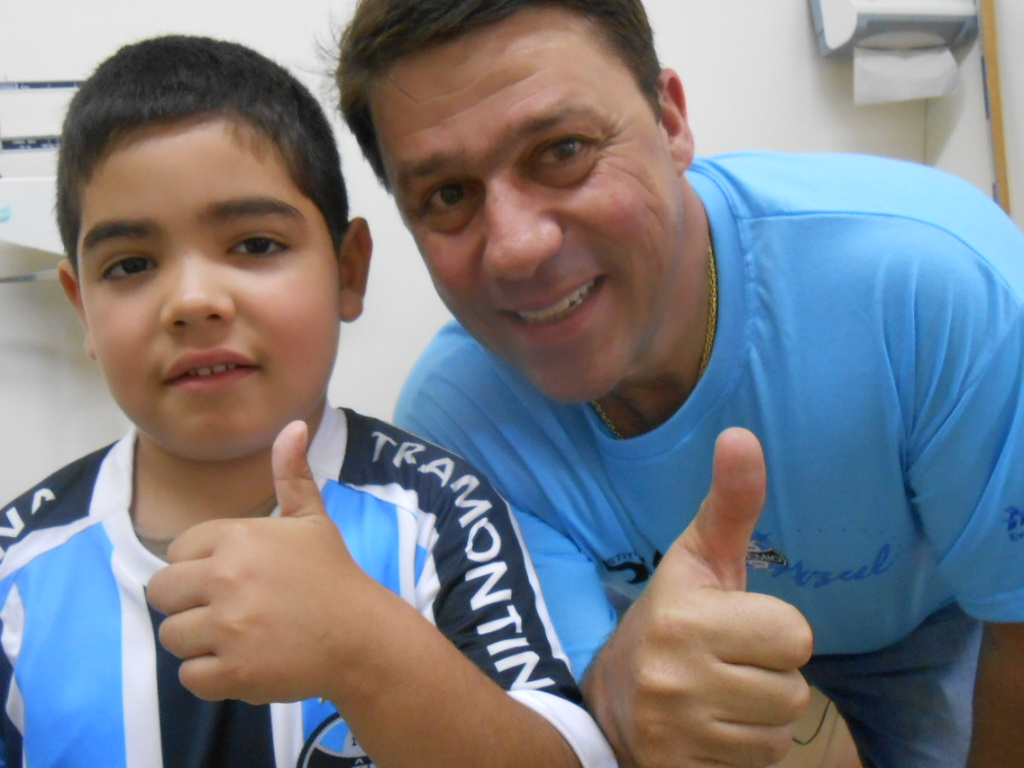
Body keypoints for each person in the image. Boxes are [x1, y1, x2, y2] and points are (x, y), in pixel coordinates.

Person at [334, 1, 1024, 766]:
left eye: (562, 149)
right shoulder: (461, 421)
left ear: (671, 122)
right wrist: (614, 689)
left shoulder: (935, 284)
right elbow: (573, 714)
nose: (518, 248)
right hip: (679, 662)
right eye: (449, 196)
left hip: (957, 624)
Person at [0, 34, 615, 768]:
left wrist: (366, 652)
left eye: (255, 245)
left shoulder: (437, 514)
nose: (193, 301)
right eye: (130, 264)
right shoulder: (17, 569)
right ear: (83, 311)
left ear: (348, 271)